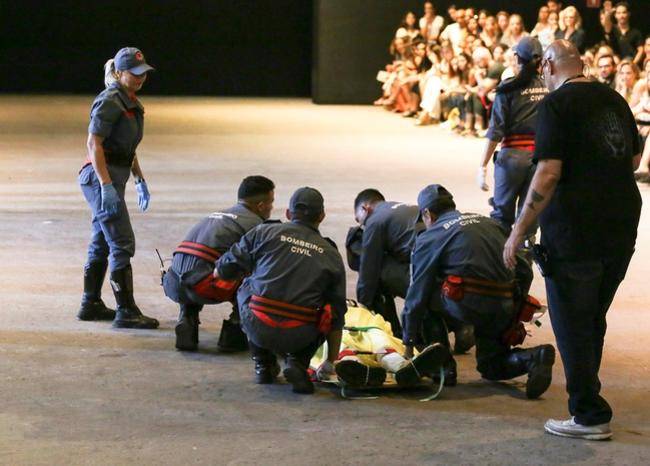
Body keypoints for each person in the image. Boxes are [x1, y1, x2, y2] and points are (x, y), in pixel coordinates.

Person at [503, 40, 642, 440]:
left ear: (547, 64)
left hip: (576, 231)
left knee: (571, 324)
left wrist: (518, 230)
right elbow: (632, 157)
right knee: (591, 318)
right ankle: (589, 401)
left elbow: (547, 172)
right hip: (620, 227)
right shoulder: (613, 98)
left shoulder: (556, 106)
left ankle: (588, 415)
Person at [401, 184, 556, 399]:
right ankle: (534, 357)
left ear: (427, 214)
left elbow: (416, 294)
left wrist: (408, 339)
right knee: (490, 366)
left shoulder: (430, 237)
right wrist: (515, 311)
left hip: (466, 303)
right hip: (503, 303)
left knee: (423, 297)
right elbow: (524, 271)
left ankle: (443, 366)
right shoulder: (491, 223)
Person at [214, 187, 347, 394]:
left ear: (287, 213)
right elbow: (337, 313)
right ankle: (298, 362)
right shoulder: (331, 253)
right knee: (327, 307)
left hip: (258, 324)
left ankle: (263, 364)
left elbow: (225, 269)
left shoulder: (264, 232)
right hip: (301, 333)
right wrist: (330, 361)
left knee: (245, 286)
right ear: (321, 216)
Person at [77, 47, 158, 329]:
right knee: (122, 242)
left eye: (143, 74)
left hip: (117, 174)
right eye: (134, 74)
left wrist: (139, 179)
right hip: (101, 177)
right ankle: (126, 311)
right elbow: (94, 144)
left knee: (102, 240)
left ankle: (90, 304)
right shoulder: (111, 100)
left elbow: (127, 148)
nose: (139, 79)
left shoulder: (130, 101)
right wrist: (106, 185)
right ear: (119, 73)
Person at [162, 176, 275, 352]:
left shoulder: (214, 215)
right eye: (271, 203)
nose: (272, 208)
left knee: (199, 266)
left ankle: (187, 318)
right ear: (261, 206)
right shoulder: (257, 226)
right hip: (205, 287)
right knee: (261, 274)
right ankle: (235, 328)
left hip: (172, 282)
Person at [477, 37, 548, 236]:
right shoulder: (550, 87)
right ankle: (524, 262)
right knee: (529, 218)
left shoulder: (507, 87)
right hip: (540, 159)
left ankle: (500, 262)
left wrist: (482, 165)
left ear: (517, 58)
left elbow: (495, 131)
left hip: (511, 159)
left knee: (501, 218)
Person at [310, 304, 451, 388]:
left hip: (362, 325)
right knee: (381, 343)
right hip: (361, 327)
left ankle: (355, 367)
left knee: (346, 342)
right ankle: (401, 367)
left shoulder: (361, 311)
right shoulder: (360, 310)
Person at [352, 189, 421, 336]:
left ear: (365, 208)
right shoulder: (404, 209)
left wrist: (363, 305)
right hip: (445, 268)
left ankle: (393, 334)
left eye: (360, 221)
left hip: (423, 276)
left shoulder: (375, 220)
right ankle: (459, 326)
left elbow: (368, 268)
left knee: (374, 274)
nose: (362, 227)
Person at [613, 2, 644, 66]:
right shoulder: (612, 31)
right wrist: (619, 65)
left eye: (624, 12)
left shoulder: (636, 32)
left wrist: (632, 65)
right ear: (615, 15)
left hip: (633, 64)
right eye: (618, 13)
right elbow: (612, 51)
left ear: (628, 14)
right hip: (616, 66)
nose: (621, 16)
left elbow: (641, 50)